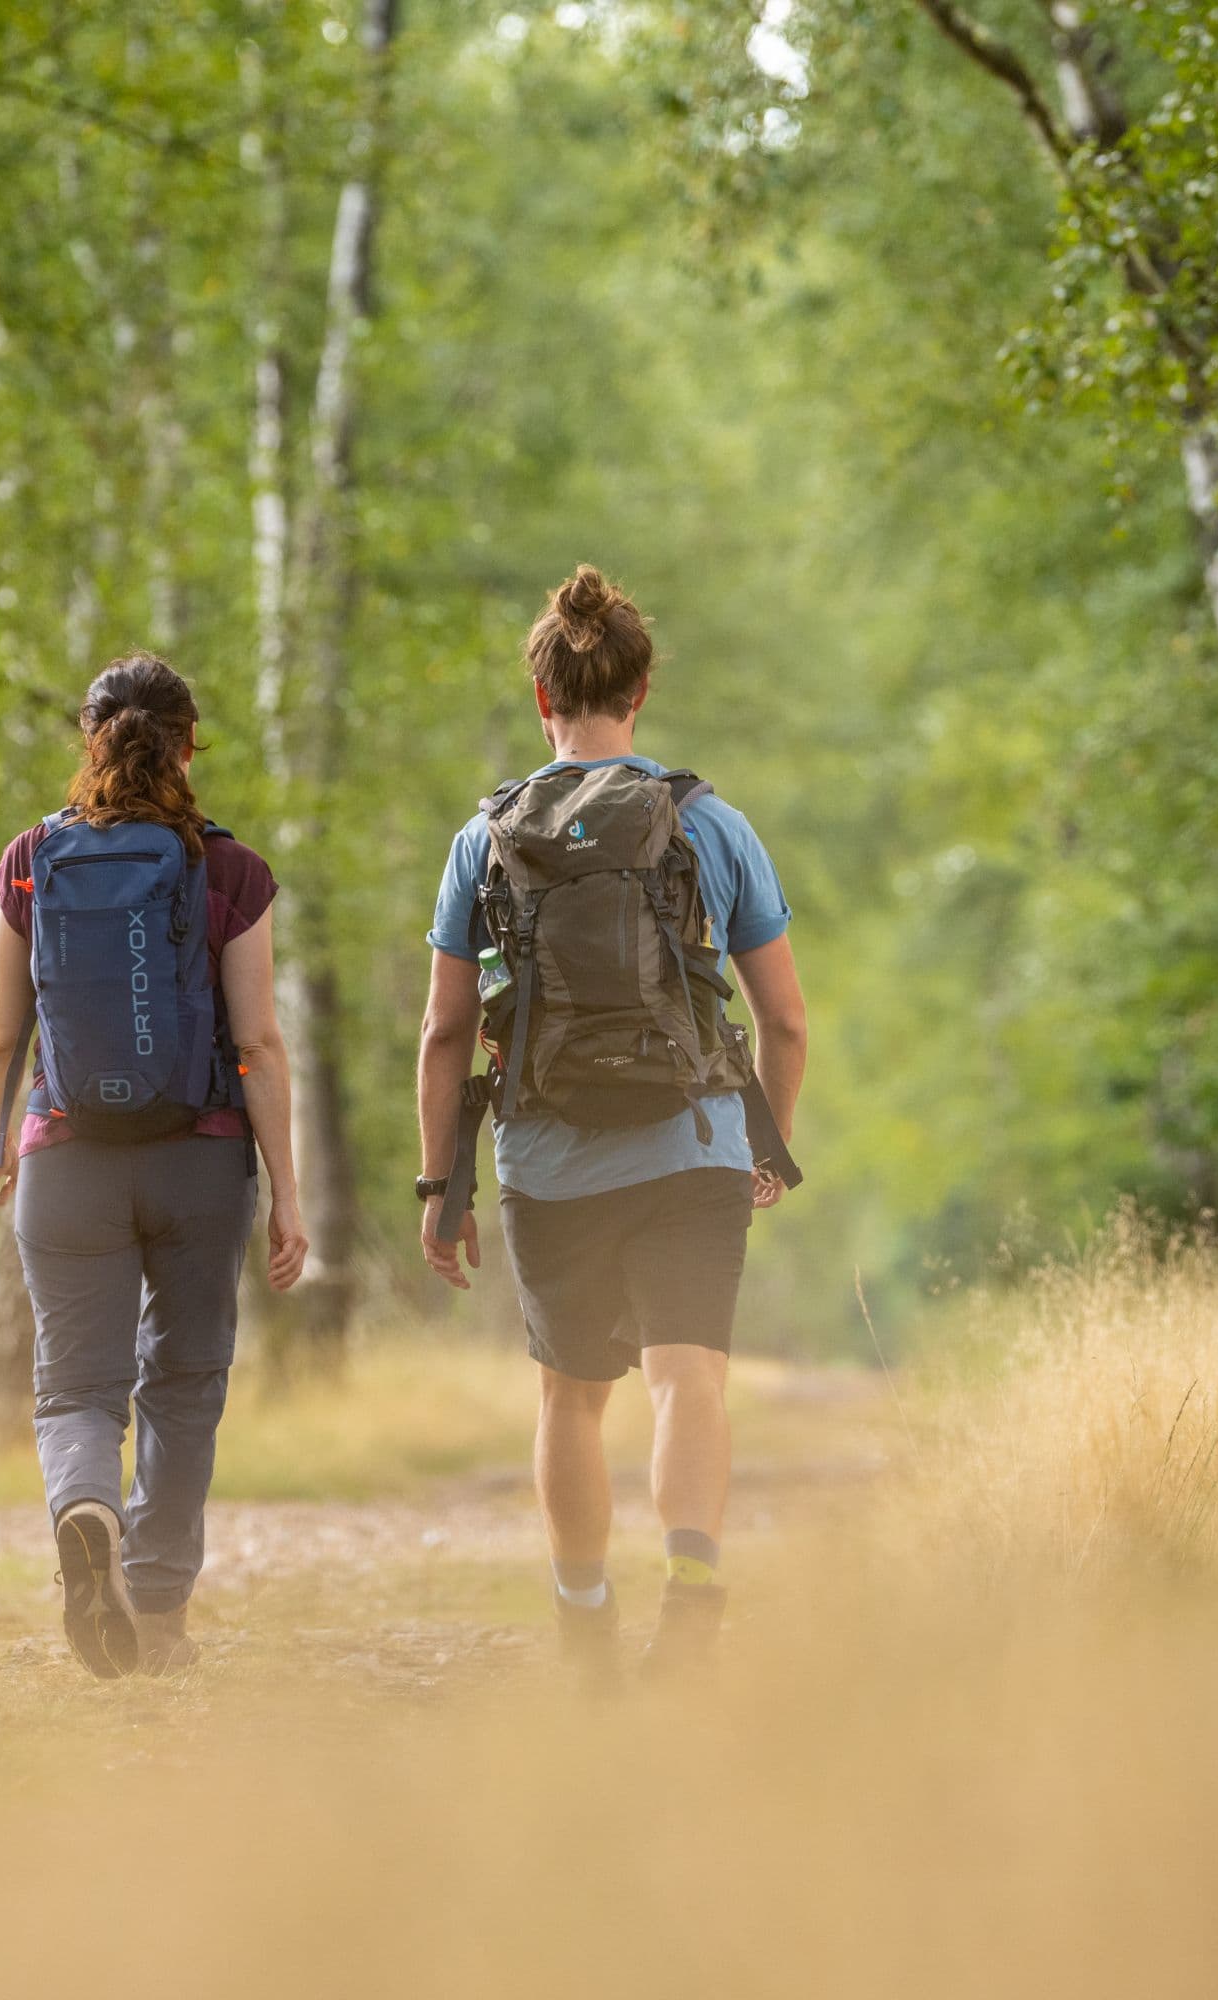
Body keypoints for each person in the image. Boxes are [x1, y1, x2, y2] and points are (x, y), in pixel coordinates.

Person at [416, 565, 809, 1681]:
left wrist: (441, 1186)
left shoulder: (480, 839)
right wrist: (762, 1146)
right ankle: (692, 1581)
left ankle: (584, 1616)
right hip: (691, 1144)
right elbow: (784, 1018)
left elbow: (446, 1035)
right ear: (638, 694)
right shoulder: (708, 823)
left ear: (544, 698)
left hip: (545, 1158)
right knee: (690, 1378)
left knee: (571, 1398)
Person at [0, 655, 309, 1679]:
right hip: (200, 1166)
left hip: (65, 1161)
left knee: (77, 1384)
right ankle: (157, 1606)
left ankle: (85, 1505)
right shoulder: (230, 870)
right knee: (184, 1380)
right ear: (189, 743)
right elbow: (257, 1040)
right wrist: (288, 1194)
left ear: (91, 737)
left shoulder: (32, 858)